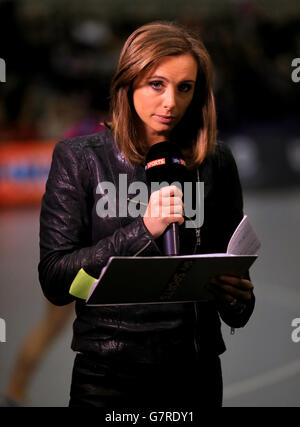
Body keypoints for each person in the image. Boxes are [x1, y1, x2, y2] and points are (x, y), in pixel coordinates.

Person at [38, 21, 255, 409]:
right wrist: (144, 229)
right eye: (156, 84)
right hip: (106, 373)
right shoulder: (80, 159)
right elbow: (56, 280)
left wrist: (237, 300)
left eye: (184, 87)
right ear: (129, 80)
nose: (171, 101)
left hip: (195, 372)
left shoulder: (216, 162)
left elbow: (236, 298)